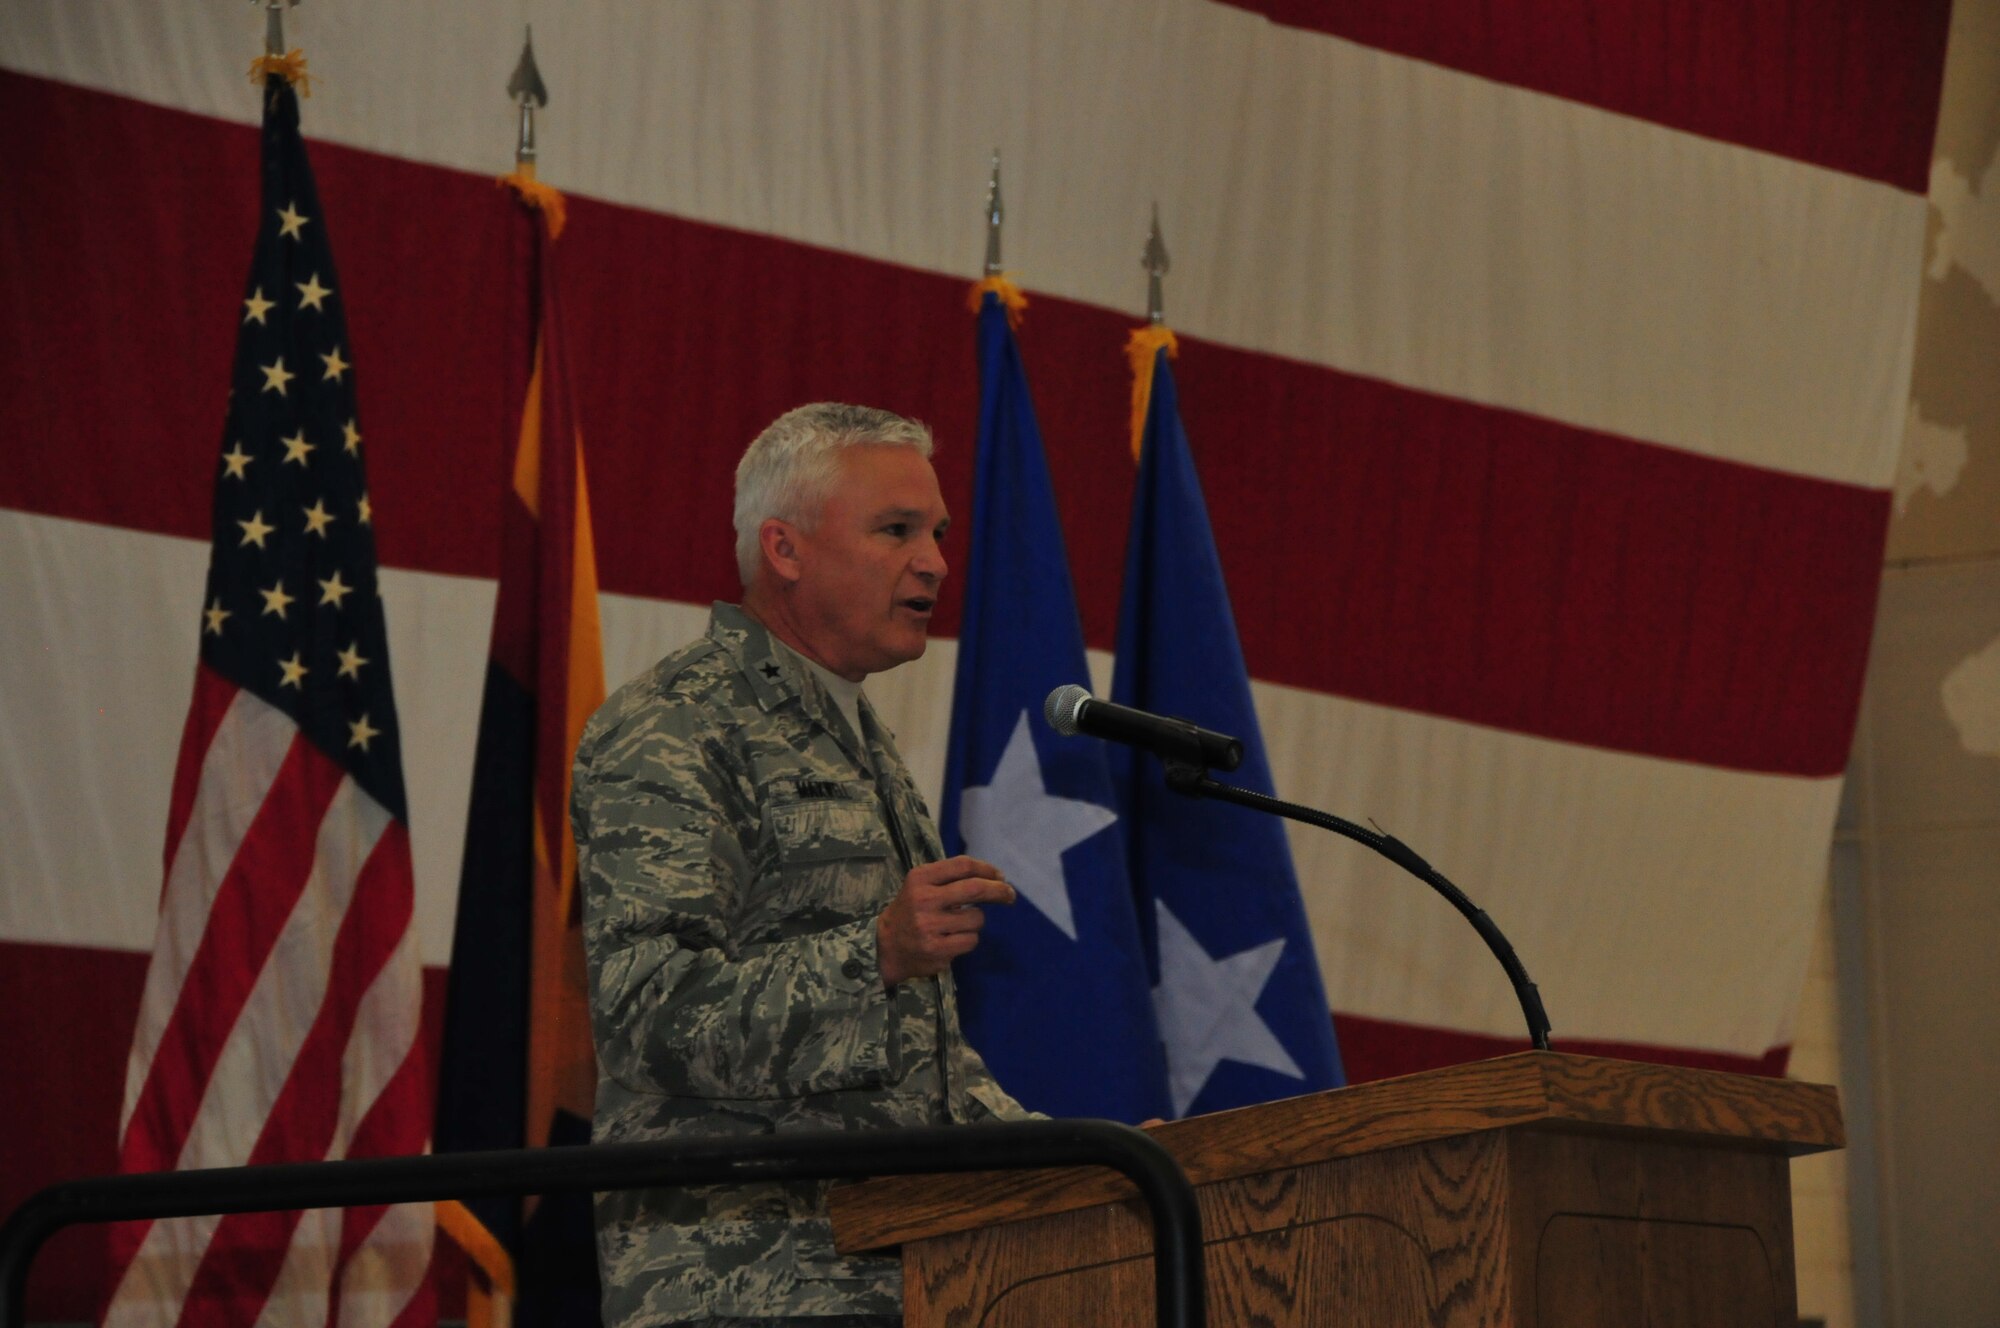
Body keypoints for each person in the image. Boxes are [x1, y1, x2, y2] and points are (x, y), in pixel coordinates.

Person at [572, 402, 1036, 1327]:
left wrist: (1084, 1154)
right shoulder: (677, 724)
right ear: (783, 550)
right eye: (896, 530)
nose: (936, 562)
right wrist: (876, 954)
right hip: (744, 1282)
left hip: (897, 1271)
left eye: (938, 532)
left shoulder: (851, 730)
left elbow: (912, 1063)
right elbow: (646, 1014)